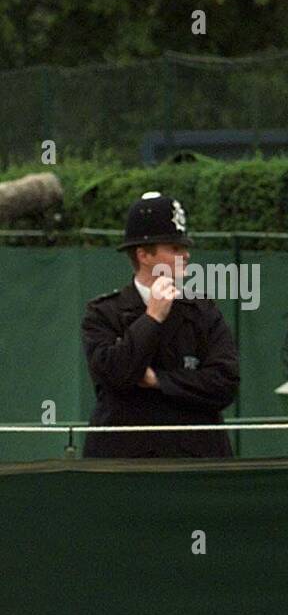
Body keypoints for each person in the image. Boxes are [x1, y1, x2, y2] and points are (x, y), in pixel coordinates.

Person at [81, 192, 239, 458]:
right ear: (144, 255)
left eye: (185, 247)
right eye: (175, 249)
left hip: (196, 463)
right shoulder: (103, 313)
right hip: (127, 467)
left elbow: (225, 383)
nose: (186, 255)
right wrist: (151, 318)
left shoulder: (202, 312)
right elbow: (117, 375)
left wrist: (159, 381)